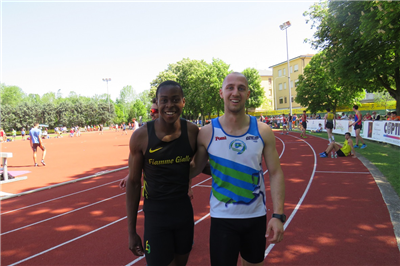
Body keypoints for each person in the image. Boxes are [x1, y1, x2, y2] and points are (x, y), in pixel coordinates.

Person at [190, 72, 285, 266]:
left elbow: (275, 173)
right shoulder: (207, 133)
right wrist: (154, 169)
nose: (235, 92)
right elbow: (193, 169)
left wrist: (278, 215)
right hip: (222, 219)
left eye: (241, 88)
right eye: (230, 87)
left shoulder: (262, 131)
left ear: (248, 94)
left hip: (255, 217)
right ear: (221, 93)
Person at [126, 80, 199, 266]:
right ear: (156, 104)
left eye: (175, 100)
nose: (169, 105)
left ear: (183, 102)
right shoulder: (141, 137)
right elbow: (134, 183)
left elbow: (204, 164)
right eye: (164, 100)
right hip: (156, 215)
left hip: (183, 213)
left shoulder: (192, 132)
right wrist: (131, 231)